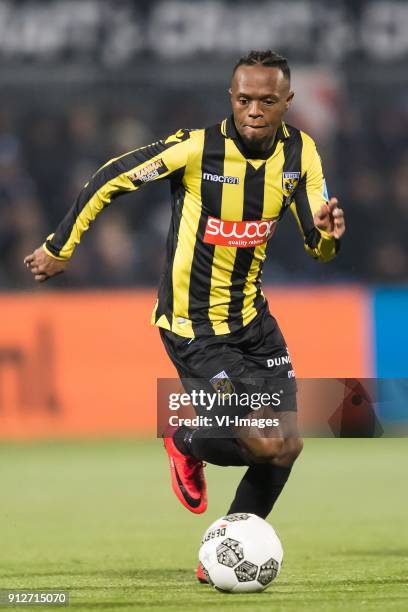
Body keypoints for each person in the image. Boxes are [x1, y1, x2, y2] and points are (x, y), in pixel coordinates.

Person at [24, 50, 345, 583]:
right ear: (231, 98)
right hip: (194, 328)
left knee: (287, 445)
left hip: (253, 322)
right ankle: (184, 438)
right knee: (262, 439)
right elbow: (111, 177)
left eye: (268, 101)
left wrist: (329, 235)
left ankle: (220, 555)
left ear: (288, 101)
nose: (254, 111)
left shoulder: (301, 153)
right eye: (244, 99)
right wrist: (62, 245)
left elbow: (318, 245)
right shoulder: (197, 148)